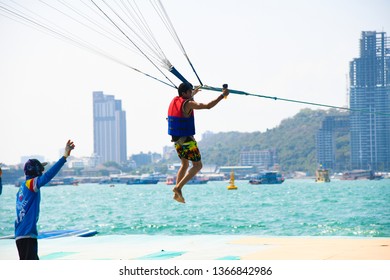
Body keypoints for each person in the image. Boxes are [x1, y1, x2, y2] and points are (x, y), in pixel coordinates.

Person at [168, 83, 229, 203]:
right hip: (187, 141)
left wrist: (193, 93)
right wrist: (222, 95)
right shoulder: (189, 103)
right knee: (198, 166)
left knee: (184, 165)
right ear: (184, 93)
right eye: (190, 92)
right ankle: (178, 187)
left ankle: (178, 191)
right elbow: (207, 106)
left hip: (177, 140)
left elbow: (186, 102)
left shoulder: (175, 100)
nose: (191, 94)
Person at [14, 140, 75, 260]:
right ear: (35, 172)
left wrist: (38, 166)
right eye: (40, 171)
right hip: (27, 235)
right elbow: (48, 176)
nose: (42, 173)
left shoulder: (23, 186)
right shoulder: (32, 184)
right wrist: (64, 157)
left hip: (21, 234)